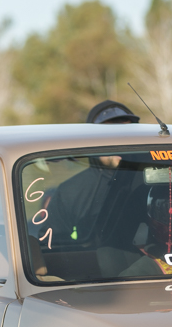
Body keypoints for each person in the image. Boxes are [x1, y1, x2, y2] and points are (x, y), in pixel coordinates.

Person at [46, 101, 141, 244]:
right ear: (92, 140)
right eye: (109, 135)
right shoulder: (70, 192)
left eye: (125, 134)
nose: (118, 142)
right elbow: (53, 247)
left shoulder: (158, 181)